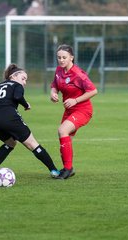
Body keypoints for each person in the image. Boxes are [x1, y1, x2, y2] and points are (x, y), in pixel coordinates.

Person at [0, 63, 60, 179]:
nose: (24, 82)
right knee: (33, 144)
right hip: (9, 117)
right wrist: (26, 104)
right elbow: (18, 97)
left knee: (10, 143)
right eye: (23, 78)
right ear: (13, 77)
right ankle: (54, 171)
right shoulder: (16, 85)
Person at [50, 44, 98, 179]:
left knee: (62, 131)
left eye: (64, 57)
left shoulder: (78, 74)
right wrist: (53, 93)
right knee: (65, 140)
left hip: (83, 110)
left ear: (71, 57)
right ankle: (68, 169)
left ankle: (67, 169)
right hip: (69, 110)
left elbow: (93, 91)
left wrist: (75, 100)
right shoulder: (59, 70)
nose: (61, 60)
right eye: (59, 57)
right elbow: (55, 85)